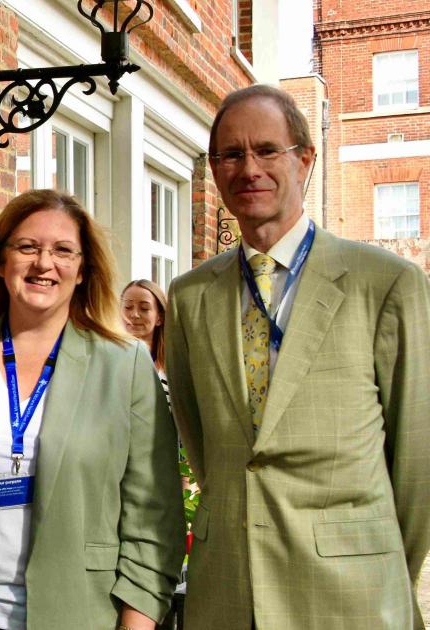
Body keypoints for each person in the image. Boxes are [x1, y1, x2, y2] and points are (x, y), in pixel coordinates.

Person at [165, 84, 430, 629]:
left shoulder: (385, 283)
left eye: (267, 150)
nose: (249, 169)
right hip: (229, 593)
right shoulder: (190, 296)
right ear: (214, 170)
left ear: (305, 159)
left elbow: (416, 460)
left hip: (351, 597)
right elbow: (202, 442)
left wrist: (380, 566)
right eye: (231, 155)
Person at [0, 190, 184, 630]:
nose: (43, 263)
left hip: (78, 615)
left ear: (82, 270)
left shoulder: (125, 366)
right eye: (27, 247)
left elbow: (154, 517)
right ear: (0, 262)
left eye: (62, 251)